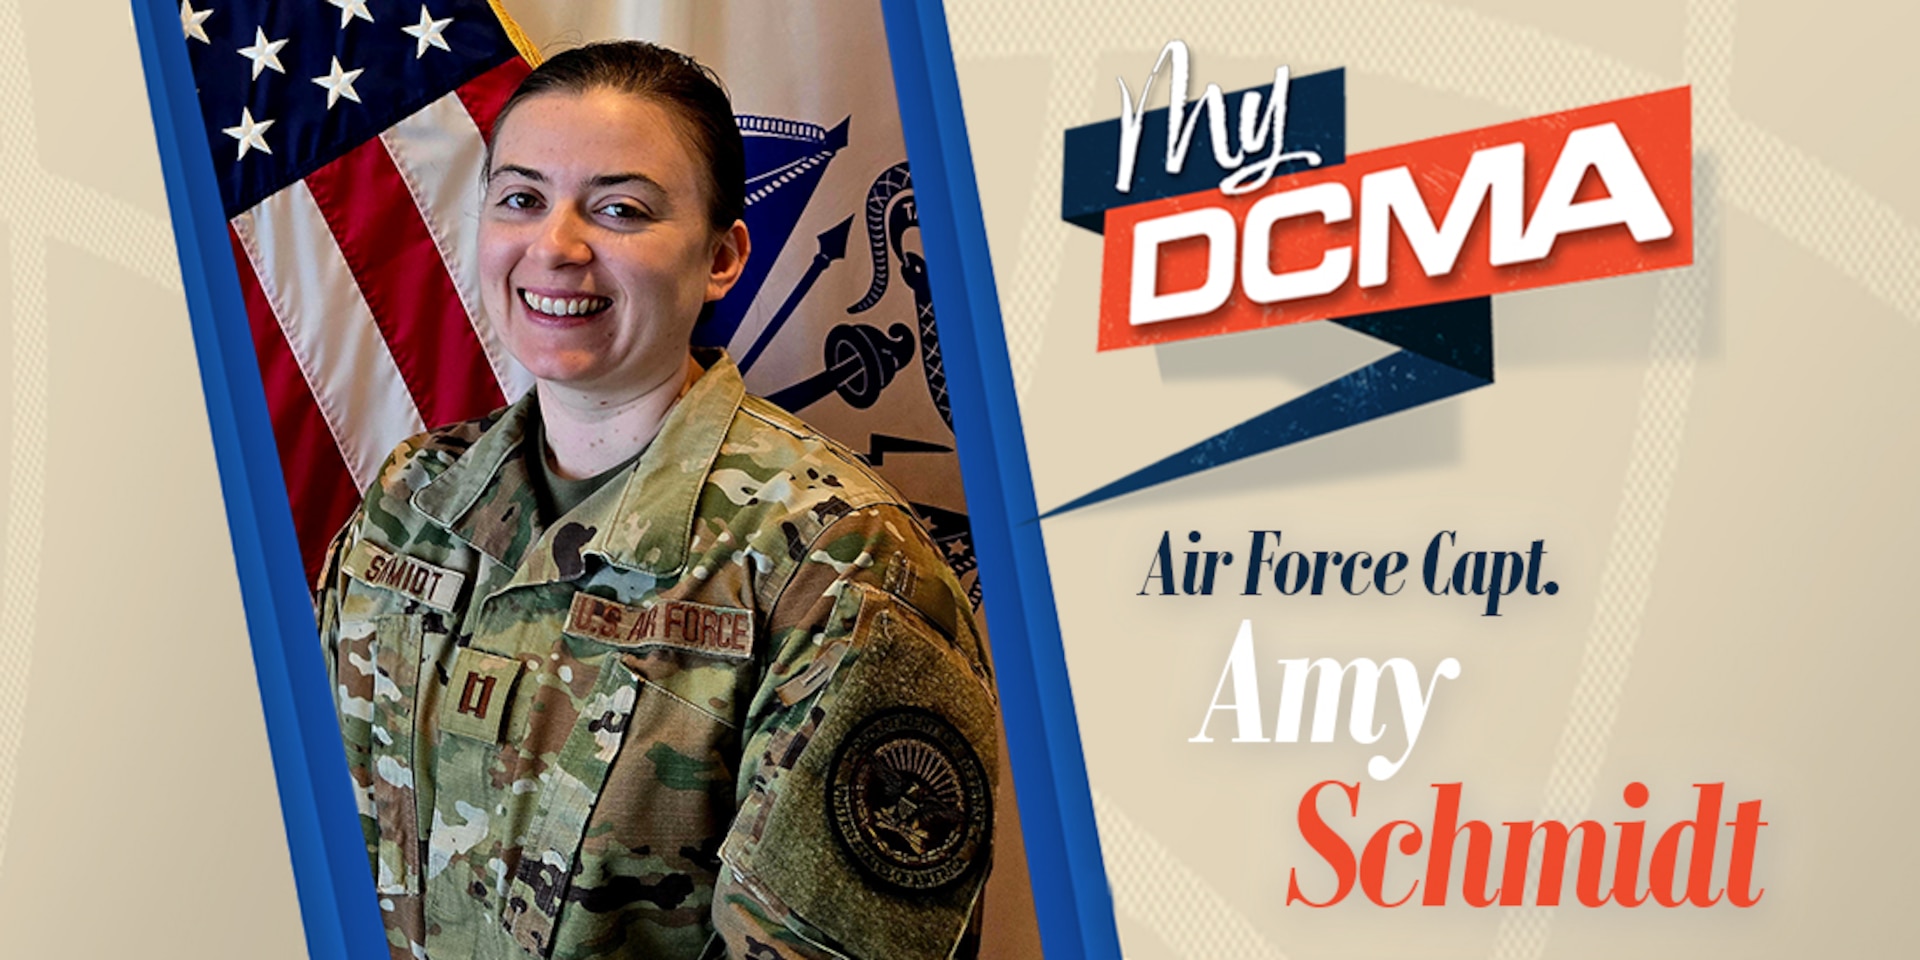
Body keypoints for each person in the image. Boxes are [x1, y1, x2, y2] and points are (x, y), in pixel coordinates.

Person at [314, 41, 998, 960]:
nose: (555, 246)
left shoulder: (841, 566)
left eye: (621, 209)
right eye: (520, 198)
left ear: (722, 258)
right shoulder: (407, 505)